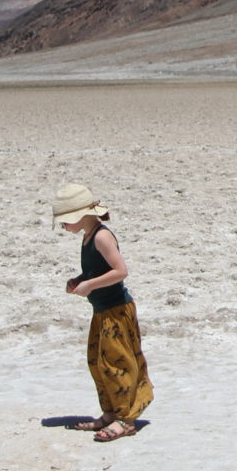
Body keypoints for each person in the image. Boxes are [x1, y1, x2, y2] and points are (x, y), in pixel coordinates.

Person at [51, 184, 153, 441]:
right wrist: (79, 280)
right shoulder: (88, 236)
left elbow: (120, 271)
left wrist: (90, 285)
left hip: (116, 311)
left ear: (81, 215)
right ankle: (110, 413)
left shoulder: (101, 236)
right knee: (98, 363)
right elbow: (98, 271)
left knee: (117, 364)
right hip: (101, 311)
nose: (64, 227)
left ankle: (126, 419)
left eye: (65, 222)